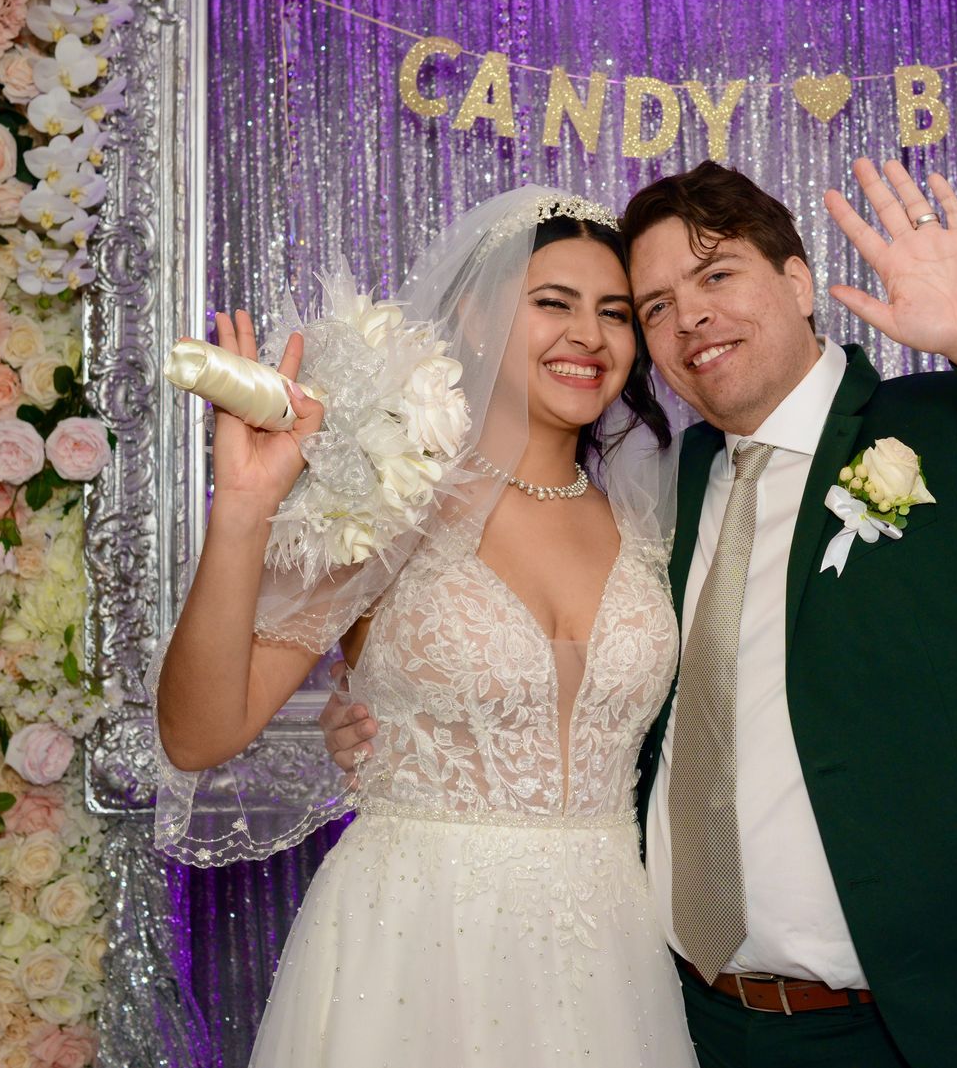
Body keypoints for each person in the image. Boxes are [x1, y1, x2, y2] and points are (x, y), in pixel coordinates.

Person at [326, 158, 957, 1068]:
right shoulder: (660, 482)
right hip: (686, 1016)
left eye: (716, 275)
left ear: (797, 281)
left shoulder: (950, 429)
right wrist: (399, 709)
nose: (692, 318)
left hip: (935, 1020)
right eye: (658, 306)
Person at [153, 186, 698, 1067]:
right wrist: (244, 514)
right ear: (476, 317)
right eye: (552, 303)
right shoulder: (389, 494)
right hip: (413, 944)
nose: (588, 337)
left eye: (616, 313)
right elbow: (197, 731)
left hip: (612, 957)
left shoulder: (651, 523)